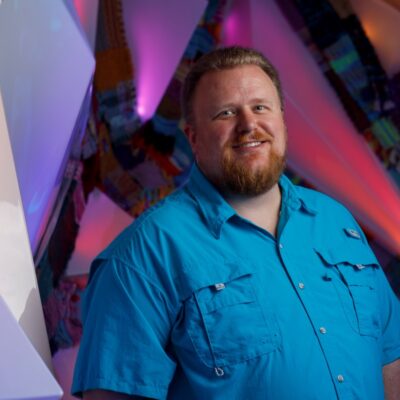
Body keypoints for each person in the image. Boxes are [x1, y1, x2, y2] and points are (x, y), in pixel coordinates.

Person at [72, 46, 400, 400]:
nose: (248, 125)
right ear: (193, 138)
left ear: (282, 121)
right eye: (225, 113)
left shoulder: (337, 221)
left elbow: (390, 358)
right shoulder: (142, 256)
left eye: (260, 107)